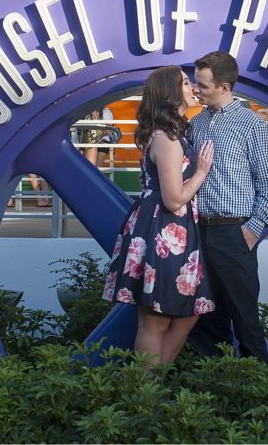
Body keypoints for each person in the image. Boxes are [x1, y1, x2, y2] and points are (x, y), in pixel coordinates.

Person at [102, 65, 215, 365]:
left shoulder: (171, 134)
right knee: (155, 321)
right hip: (163, 229)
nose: (192, 87)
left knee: (186, 314)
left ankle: (152, 386)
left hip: (169, 228)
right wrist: (201, 172)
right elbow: (174, 197)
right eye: (185, 83)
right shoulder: (166, 138)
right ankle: (146, 394)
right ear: (170, 92)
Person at [187, 50, 268, 363]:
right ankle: (218, 386)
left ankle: (257, 390)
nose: (195, 89)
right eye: (195, 83)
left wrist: (252, 231)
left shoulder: (251, 124)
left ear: (224, 87)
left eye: (202, 85)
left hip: (234, 232)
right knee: (207, 318)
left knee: (245, 317)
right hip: (200, 232)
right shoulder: (196, 124)